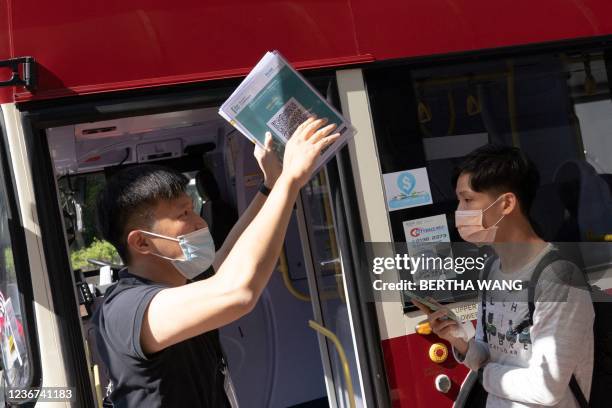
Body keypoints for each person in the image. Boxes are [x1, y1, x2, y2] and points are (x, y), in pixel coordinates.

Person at [93, 117, 340, 407]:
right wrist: (291, 181)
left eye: (193, 208)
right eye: (183, 214)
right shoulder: (125, 309)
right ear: (142, 242)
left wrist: (271, 185)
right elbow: (237, 293)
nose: (200, 222)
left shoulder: (175, 281)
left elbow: (224, 261)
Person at [413, 144, 594, 407]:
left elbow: (546, 389)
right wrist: (457, 339)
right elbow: (486, 355)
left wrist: (486, 373)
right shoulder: (491, 269)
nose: (459, 213)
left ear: (506, 204)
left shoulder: (558, 278)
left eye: (468, 200)